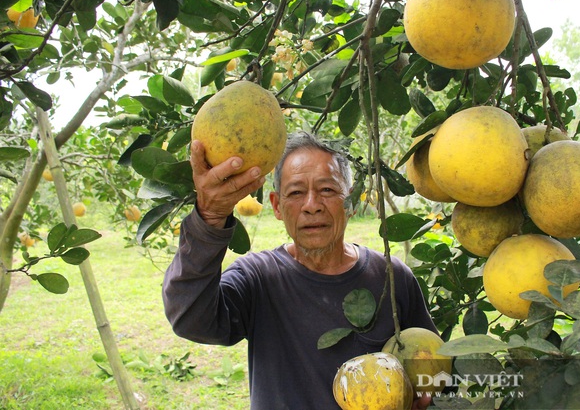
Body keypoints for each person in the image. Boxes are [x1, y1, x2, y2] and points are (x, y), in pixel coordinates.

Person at [163, 131, 437, 409]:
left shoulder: (393, 277)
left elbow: (432, 369)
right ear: (277, 206)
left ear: (351, 201)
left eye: (327, 190)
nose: (311, 206)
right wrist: (208, 220)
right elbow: (191, 319)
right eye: (295, 192)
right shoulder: (258, 278)